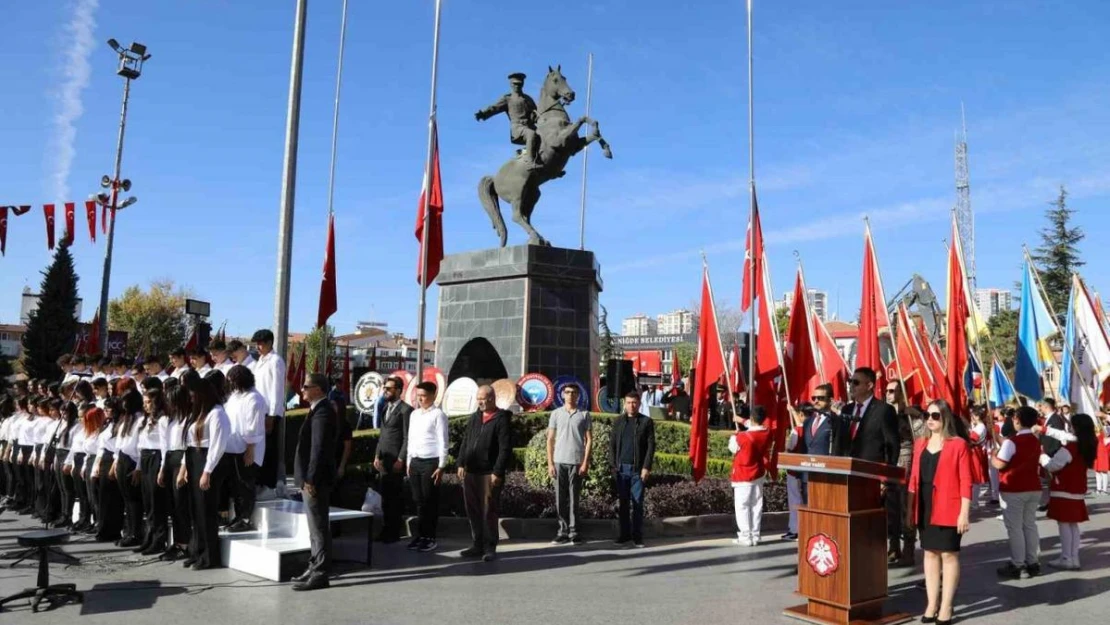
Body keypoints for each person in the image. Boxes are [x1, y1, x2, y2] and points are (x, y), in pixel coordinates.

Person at [905, 399, 972, 625]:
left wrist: (964, 512)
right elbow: (913, 479)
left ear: (945, 418)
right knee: (930, 553)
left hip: (949, 505)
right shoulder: (920, 443)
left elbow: (965, 481)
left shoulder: (958, 444)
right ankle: (931, 603)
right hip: (924, 504)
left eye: (935, 416)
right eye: (927, 415)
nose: (930, 420)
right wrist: (909, 509)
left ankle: (947, 605)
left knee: (949, 554)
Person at [177, 370, 231, 570]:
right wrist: (185, 467)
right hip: (194, 458)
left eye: (193, 395)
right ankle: (196, 550)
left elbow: (218, 445)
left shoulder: (217, 413)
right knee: (195, 509)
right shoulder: (199, 413)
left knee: (206, 510)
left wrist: (207, 471)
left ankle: (210, 556)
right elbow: (190, 443)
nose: (191, 398)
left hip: (208, 461)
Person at [291, 373, 338, 591]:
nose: (302, 390)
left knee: (318, 527)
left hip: (316, 480)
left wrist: (310, 477)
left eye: (306, 386)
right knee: (315, 527)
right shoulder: (317, 409)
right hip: (312, 478)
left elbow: (318, 449)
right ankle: (314, 566)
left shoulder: (323, 411)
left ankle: (320, 573)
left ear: (318, 389)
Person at [457, 385, 512, 561]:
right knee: (472, 510)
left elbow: (505, 448)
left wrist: (498, 471)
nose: (479, 401)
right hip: (471, 472)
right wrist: (460, 463)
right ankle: (477, 544)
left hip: (489, 473)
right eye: (478, 398)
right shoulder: (475, 417)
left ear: (491, 398)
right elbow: (466, 441)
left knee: (489, 510)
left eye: (482, 398)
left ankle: (490, 547)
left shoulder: (501, 419)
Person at [992, 406, 1043, 579]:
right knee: (1029, 525)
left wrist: (993, 456)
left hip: (1014, 488)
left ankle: (1018, 564)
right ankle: (1033, 561)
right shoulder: (1035, 440)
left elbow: (1000, 463)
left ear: (1018, 420)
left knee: (1015, 528)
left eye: (1014, 418)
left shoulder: (1012, 441)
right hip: (1033, 487)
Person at [1041, 413, 1096, 570]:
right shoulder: (1088, 444)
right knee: (1072, 525)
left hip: (1064, 487)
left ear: (1076, 428)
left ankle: (1066, 557)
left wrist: (1043, 457)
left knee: (1064, 523)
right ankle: (1073, 557)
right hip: (1077, 488)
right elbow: (1063, 435)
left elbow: (1052, 465)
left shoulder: (1071, 447)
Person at [546, 384, 592, 544]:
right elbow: (550, 439)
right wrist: (550, 463)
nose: (570, 395)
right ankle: (562, 531)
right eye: (567, 392)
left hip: (577, 462)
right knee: (560, 498)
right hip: (559, 461)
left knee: (574, 499)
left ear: (578, 395)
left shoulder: (584, 414)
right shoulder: (556, 414)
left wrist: (585, 462)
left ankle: (574, 532)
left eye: (573, 392)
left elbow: (589, 440)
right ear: (562, 395)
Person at [223, 365, 268, 532]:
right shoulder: (235, 396)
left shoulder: (254, 399)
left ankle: (245, 519)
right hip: (233, 447)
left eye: (233, 380)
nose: (231, 384)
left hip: (248, 449)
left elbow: (253, 427)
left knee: (245, 485)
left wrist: (250, 449)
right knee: (235, 486)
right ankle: (238, 516)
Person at [405, 381, 448, 552]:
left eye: (423, 395)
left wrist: (442, 465)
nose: (420, 398)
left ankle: (430, 537)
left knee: (430, 501)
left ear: (433, 395)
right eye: (418, 395)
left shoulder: (438, 415)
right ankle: (420, 535)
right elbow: (411, 439)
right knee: (418, 501)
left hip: (431, 462)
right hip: (415, 461)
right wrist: (409, 461)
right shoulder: (414, 414)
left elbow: (443, 441)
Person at [611, 391, 656, 548]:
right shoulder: (618, 422)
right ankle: (624, 535)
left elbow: (651, 446)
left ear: (639, 404)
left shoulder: (646, 422)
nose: (632, 405)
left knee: (637, 503)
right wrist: (613, 466)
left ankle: (637, 536)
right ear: (624, 403)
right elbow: (613, 445)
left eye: (634, 402)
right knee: (623, 503)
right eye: (629, 402)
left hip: (638, 470)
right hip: (621, 468)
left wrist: (646, 467)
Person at [474, 72, 542, 170]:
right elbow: (494, 108)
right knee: (531, 134)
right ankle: (530, 162)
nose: (517, 86)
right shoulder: (508, 99)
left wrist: (536, 117)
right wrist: (483, 114)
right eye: (515, 84)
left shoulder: (528, 99)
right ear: (511, 84)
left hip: (530, 127)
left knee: (545, 136)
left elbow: (536, 113)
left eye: (519, 84)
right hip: (518, 129)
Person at [373, 376, 411, 543]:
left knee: (394, 498)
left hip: (396, 460)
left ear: (398, 390)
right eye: (384, 388)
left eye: (389, 388)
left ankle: (394, 532)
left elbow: (407, 437)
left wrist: (401, 458)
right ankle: (385, 530)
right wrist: (376, 456)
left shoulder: (405, 410)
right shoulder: (384, 408)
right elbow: (383, 435)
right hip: (383, 461)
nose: (385, 391)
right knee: (385, 498)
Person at [158, 385, 192, 561]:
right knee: (172, 504)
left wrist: (183, 469)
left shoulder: (189, 418)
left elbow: (188, 446)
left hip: (181, 460)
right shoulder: (169, 420)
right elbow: (165, 446)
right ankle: (178, 541)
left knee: (181, 504)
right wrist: (163, 468)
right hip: (170, 458)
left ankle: (184, 543)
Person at [729, 405, 771, 547]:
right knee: (756, 505)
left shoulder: (742, 437)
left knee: (742, 506)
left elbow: (732, 448)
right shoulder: (767, 432)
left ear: (752, 418)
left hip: (743, 474)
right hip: (758, 473)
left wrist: (735, 435)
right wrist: (742, 421)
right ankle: (755, 534)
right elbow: (754, 427)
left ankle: (745, 536)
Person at [251, 329, 287, 496]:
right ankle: (260, 482)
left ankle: (270, 485)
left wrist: (272, 415)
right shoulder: (259, 361)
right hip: (258, 410)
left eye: (261, 343)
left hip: (269, 412)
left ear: (269, 343)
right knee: (259, 448)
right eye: (256, 344)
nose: (258, 347)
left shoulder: (276, 361)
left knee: (270, 449)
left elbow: (276, 390)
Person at [136, 385, 170, 555]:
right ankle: (149, 536)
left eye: (149, 402)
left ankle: (159, 539)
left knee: (157, 502)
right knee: (148, 501)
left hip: (156, 457)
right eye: (144, 402)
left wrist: (163, 468)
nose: (146, 405)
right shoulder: (145, 419)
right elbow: (140, 444)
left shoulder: (163, 420)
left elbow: (164, 446)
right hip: (145, 458)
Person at [841, 368, 900, 465]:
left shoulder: (884, 410)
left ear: (869, 385)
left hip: (871, 470)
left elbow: (892, 445)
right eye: (850, 381)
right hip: (845, 467)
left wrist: (889, 473)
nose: (851, 385)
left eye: (856, 382)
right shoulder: (846, 409)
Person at [967, 407, 991, 508]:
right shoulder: (977, 426)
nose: (972, 417)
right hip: (973, 451)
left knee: (975, 478)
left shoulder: (981, 426)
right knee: (972, 478)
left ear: (977, 416)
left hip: (975, 451)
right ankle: (973, 500)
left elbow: (972, 439)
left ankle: (975, 501)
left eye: (973, 415)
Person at [1095, 413, 1110, 495]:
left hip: (1104, 452)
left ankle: (1104, 489)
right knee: (1097, 472)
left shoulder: (1108, 428)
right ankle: (1098, 488)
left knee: (1104, 471)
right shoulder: (1098, 429)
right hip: (1097, 452)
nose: (1104, 421)